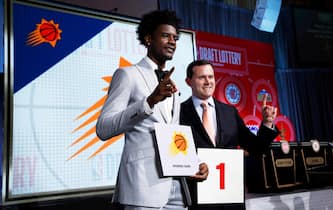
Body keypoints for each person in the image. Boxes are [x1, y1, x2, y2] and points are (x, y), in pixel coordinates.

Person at [96, 10, 208, 210]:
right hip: (143, 187)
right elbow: (103, 128)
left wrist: (195, 162)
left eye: (175, 37)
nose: (172, 41)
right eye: (165, 35)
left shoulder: (171, 84)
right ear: (148, 38)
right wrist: (148, 102)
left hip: (177, 188)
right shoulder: (127, 75)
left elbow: (172, 134)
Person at [180, 60, 279, 210]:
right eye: (202, 77)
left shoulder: (230, 112)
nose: (208, 82)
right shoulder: (179, 113)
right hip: (197, 199)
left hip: (231, 199)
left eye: (211, 77)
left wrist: (267, 123)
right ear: (189, 82)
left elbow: (256, 148)